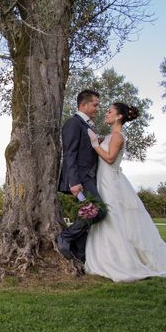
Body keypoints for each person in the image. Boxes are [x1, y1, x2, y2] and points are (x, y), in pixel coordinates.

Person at [84, 102, 166, 282]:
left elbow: (109, 159)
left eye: (110, 112)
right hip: (105, 179)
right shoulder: (112, 135)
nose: (106, 114)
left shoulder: (118, 136)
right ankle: (108, 257)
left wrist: (95, 145)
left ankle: (120, 261)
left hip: (111, 181)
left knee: (113, 217)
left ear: (118, 116)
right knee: (109, 217)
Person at [57, 89, 108, 263]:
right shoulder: (73, 123)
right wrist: (74, 181)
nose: (97, 108)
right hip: (80, 179)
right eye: (95, 105)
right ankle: (65, 237)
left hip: (89, 177)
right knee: (98, 210)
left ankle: (80, 253)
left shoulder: (87, 125)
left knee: (87, 212)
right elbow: (69, 153)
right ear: (83, 104)